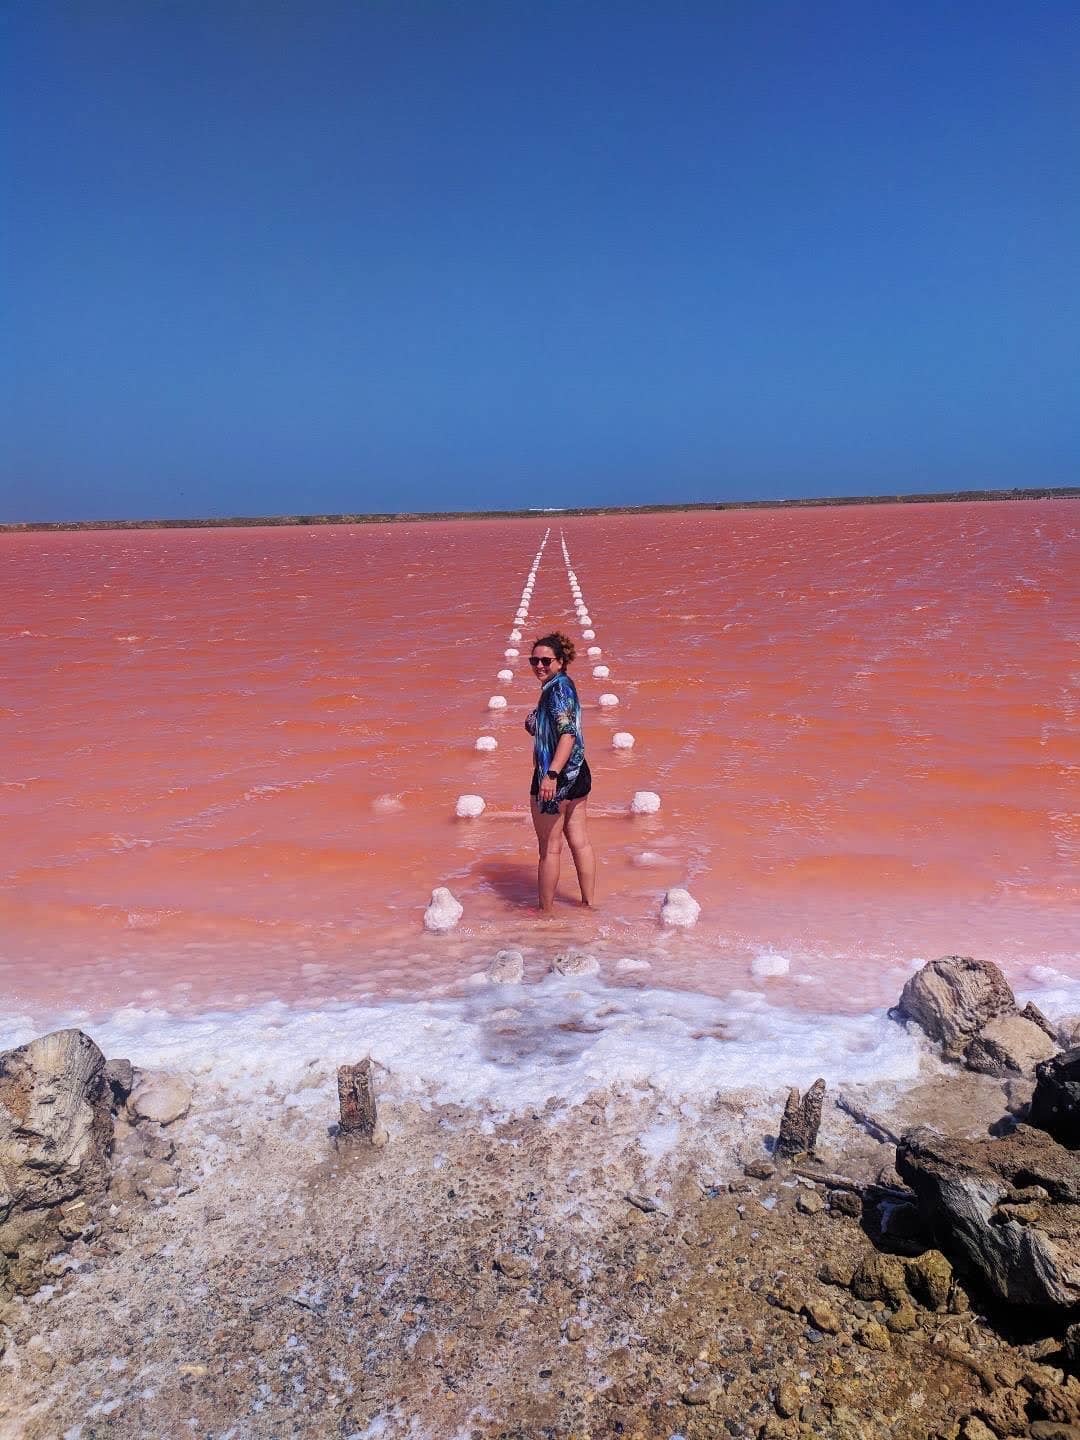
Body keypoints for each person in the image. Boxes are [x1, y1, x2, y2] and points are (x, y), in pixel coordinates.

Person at [524, 632, 596, 913]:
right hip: (579, 772)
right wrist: (535, 722)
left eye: (546, 660)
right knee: (580, 841)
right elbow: (561, 727)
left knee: (550, 848)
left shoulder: (555, 691)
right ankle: (588, 905)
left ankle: (545, 913)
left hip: (555, 776)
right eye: (534, 660)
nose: (539, 665)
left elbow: (567, 734)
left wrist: (551, 775)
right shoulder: (564, 686)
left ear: (561, 661)